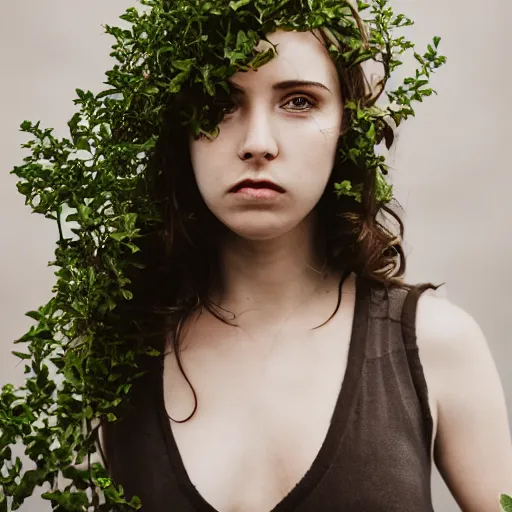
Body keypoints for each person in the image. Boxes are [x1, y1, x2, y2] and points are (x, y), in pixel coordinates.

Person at [100, 25, 512, 512]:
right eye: (218, 103)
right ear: (179, 131)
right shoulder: (116, 358)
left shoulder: (433, 344)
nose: (258, 143)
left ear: (346, 125)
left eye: (298, 101)